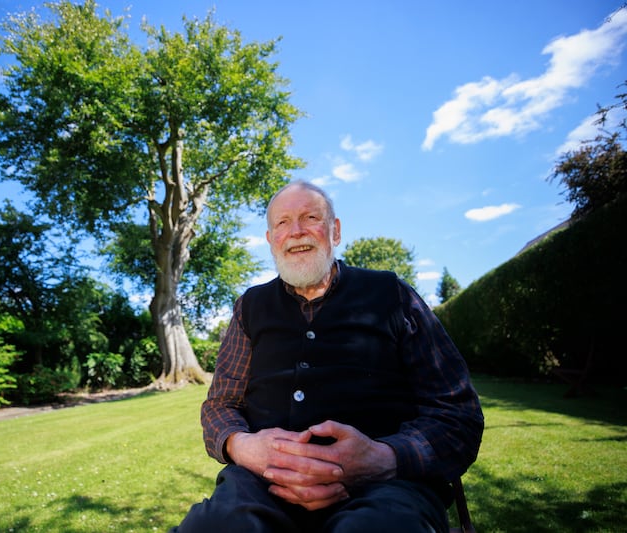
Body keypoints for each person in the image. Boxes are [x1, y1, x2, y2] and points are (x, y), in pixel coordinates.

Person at [172, 180, 484, 533]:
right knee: (216, 526)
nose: (297, 231)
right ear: (271, 239)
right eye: (283, 223)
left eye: (310, 217)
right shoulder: (250, 307)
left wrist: (384, 458)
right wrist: (242, 446)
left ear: (334, 231)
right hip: (261, 486)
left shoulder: (392, 295)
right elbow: (219, 406)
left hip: (386, 488)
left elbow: (457, 414)